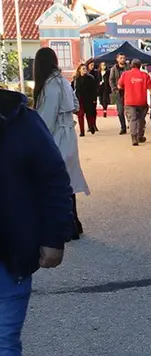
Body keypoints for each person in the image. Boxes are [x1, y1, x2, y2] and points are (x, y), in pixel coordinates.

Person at [0, 84, 74, 356]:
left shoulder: (20, 121)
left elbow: (52, 180)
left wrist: (53, 237)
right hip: (14, 246)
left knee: (3, 337)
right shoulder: (21, 118)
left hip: (10, 251)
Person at [32, 48, 90, 239]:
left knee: (55, 183)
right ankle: (74, 222)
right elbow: (75, 104)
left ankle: (66, 226)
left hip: (56, 137)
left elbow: (45, 120)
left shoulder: (49, 86)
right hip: (68, 135)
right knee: (67, 182)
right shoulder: (63, 81)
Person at [117, 59, 151, 147]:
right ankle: (140, 136)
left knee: (133, 119)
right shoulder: (145, 75)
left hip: (129, 101)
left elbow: (119, 86)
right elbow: (150, 88)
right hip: (142, 101)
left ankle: (134, 138)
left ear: (131, 65)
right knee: (141, 119)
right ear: (140, 66)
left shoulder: (125, 74)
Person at [71, 63, 99, 136]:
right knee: (80, 115)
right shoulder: (76, 79)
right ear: (79, 70)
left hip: (88, 99)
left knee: (89, 115)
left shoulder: (90, 78)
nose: (85, 70)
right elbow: (72, 89)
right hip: (79, 100)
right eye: (83, 69)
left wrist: (94, 99)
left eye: (85, 69)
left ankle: (91, 126)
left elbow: (94, 90)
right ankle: (82, 131)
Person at [109, 54, 127, 135]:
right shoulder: (114, 69)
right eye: (121, 58)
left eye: (123, 58)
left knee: (130, 110)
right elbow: (111, 80)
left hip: (128, 92)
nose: (122, 59)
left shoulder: (129, 67)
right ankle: (123, 127)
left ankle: (132, 126)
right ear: (117, 59)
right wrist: (114, 89)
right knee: (120, 111)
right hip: (118, 92)